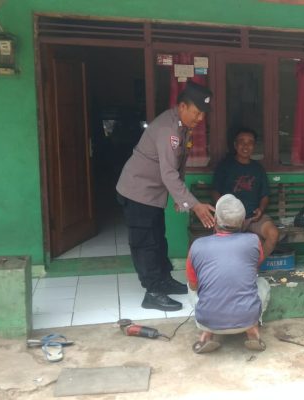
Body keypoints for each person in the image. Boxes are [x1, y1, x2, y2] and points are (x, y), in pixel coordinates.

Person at [116, 81, 216, 312]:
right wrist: (194, 205)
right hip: (138, 191)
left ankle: (164, 280)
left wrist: (180, 197)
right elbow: (168, 173)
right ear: (182, 106)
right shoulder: (168, 130)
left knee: (158, 239)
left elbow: (178, 164)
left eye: (203, 114)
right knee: (145, 243)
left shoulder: (182, 126)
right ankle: (152, 292)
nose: (200, 118)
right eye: (197, 112)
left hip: (152, 194)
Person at [186, 194, 270, 354]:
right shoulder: (254, 240)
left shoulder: (197, 245)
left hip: (208, 319)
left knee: (191, 286)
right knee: (262, 283)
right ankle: (252, 330)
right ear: (242, 222)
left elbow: (194, 286)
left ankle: (206, 333)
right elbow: (253, 268)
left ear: (215, 219)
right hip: (246, 318)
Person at [212, 128, 279, 258]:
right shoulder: (225, 166)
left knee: (273, 234)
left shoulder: (258, 169)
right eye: (242, 142)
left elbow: (265, 195)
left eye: (250, 143)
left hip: (253, 218)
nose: (245, 146)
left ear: (254, 146)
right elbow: (215, 191)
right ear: (235, 145)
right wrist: (223, 212)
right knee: (226, 247)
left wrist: (261, 209)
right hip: (230, 218)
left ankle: (253, 266)